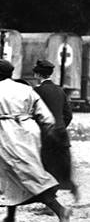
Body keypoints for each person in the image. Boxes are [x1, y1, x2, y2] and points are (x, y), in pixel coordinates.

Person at [0, 59, 72, 222]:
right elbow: (46, 116)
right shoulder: (26, 89)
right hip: (30, 131)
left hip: (9, 131)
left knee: (24, 172)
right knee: (11, 172)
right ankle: (10, 219)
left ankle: (60, 211)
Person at [32, 59, 78, 201]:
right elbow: (68, 114)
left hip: (46, 134)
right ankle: (73, 188)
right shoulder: (60, 90)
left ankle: (51, 201)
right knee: (62, 164)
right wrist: (61, 127)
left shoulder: (37, 91)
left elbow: (34, 114)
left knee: (47, 166)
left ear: (38, 75)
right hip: (61, 133)